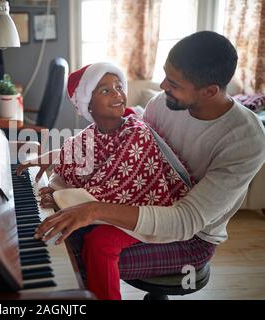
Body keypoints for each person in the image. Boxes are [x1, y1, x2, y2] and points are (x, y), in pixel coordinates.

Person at [17, 31, 265, 299]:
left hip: (192, 238)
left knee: (81, 252)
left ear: (209, 92)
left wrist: (93, 209)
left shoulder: (245, 139)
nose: (161, 86)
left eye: (173, 83)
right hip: (146, 205)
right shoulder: (163, 104)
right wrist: (60, 154)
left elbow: (186, 221)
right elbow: (121, 148)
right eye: (165, 75)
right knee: (63, 228)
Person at [36, 61, 198, 300]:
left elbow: (114, 186)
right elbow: (73, 166)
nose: (117, 94)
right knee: (72, 231)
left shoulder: (136, 132)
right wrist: (55, 189)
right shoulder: (91, 133)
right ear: (87, 104)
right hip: (116, 204)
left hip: (154, 209)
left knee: (99, 242)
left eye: (119, 87)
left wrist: (60, 198)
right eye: (105, 90)